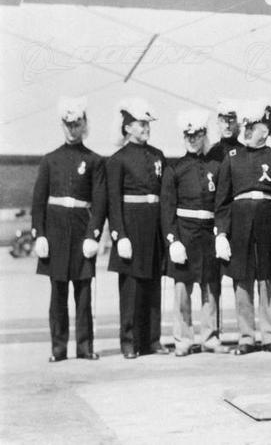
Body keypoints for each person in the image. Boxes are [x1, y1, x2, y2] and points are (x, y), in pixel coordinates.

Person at [31, 96, 106, 362]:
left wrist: (93, 235)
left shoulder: (95, 161)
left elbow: (100, 202)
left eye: (77, 124)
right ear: (62, 125)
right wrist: (39, 234)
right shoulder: (49, 160)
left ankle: (85, 347)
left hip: (81, 232)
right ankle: (58, 348)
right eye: (68, 124)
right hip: (56, 234)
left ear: (84, 124)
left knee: (84, 295)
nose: (72, 129)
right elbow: (38, 201)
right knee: (58, 295)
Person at [214, 101, 271, 355]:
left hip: (269, 225)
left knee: (267, 280)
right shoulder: (232, 159)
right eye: (245, 126)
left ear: (264, 130)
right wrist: (221, 233)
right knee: (242, 281)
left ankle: (269, 336)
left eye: (251, 127)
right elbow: (223, 201)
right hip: (240, 227)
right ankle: (246, 337)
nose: (245, 131)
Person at [161, 109, 227, 356]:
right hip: (185, 233)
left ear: (204, 135)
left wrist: (221, 234)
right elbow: (167, 208)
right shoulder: (174, 168)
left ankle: (210, 337)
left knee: (211, 287)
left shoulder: (216, 167)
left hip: (208, 233)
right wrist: (173, 240)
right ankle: (183, 339)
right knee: (182, 289)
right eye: (188, 135)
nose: (192, 139)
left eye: (197, 135)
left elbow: (221, 204)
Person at [107, 98, 167, 358]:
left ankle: (152, 339)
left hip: (153, 229)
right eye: (141, 124)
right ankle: (129, 341)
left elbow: (164, 195)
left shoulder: (158, 156)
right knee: (131, 289)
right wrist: (119, 235)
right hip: (131, 228)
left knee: (153, 287)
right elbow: (112, 201)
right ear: (128, 127)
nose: (146, 128)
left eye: (147, 124)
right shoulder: (117, 160)